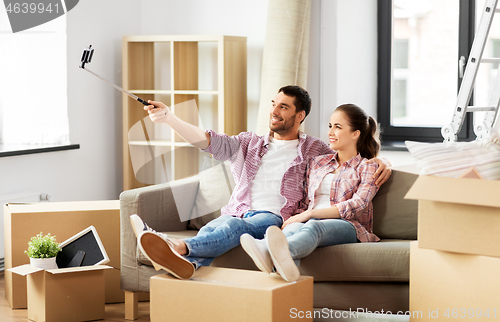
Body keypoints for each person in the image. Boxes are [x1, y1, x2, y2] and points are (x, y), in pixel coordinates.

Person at [130, 86, 391, 280]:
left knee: (233, 225)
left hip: (274, 217)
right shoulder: (249, 143)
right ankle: (188, 262)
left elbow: (348, 154)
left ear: (300, 116)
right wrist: (169, 119)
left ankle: (177, 246)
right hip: (239, 210)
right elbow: (207, 141)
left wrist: (382, 162)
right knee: (216, 226)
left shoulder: (315, 150)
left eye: (283, 107)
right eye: (273, 104)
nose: (273, 111)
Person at [240, 103, 382, 282]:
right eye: (330, 126)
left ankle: (269, 250)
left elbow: (358, 204)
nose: (330, 132)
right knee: (292, 229)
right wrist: (296, 217)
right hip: (309, 218)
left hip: (348, 225)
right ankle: (285, 284)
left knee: (314, 226)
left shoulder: (368, 166)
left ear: (355, 133)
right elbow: (305, 200)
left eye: (338, 127)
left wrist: (311, 214)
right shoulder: (318, 162)